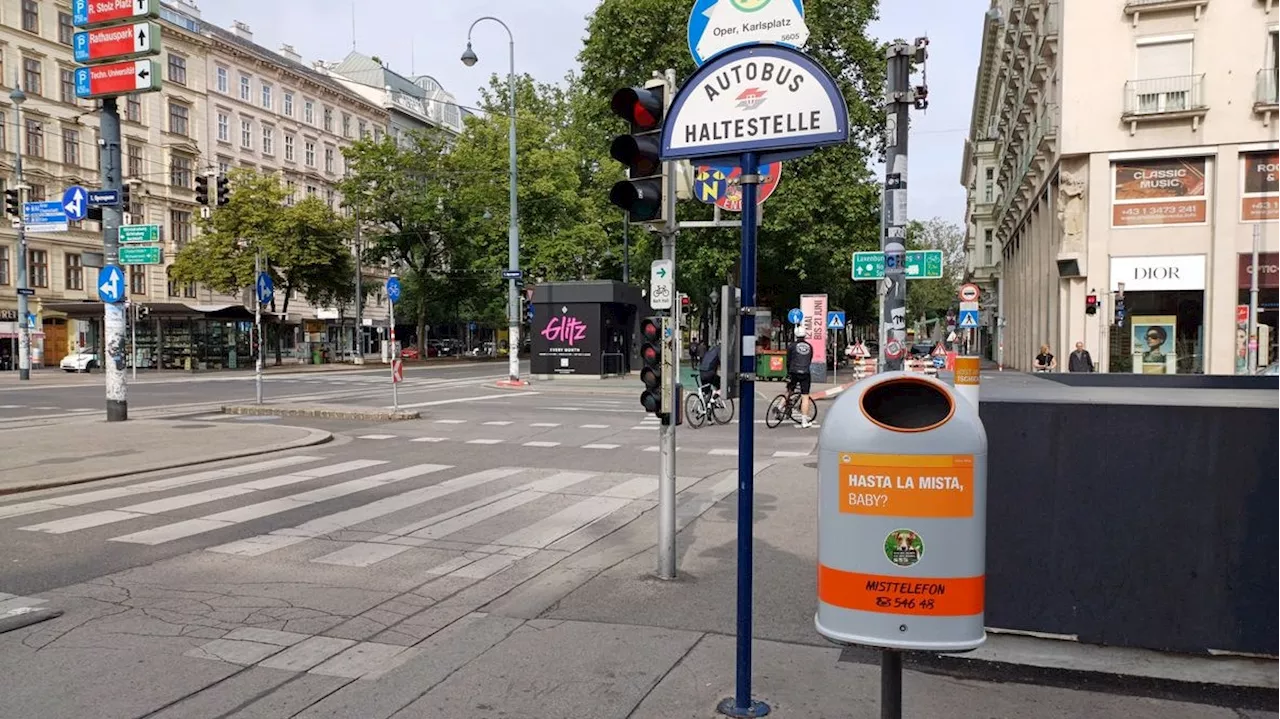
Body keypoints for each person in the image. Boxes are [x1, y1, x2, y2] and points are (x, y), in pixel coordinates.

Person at [787, 325, 815, 428]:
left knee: (790, 389)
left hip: (794, 371)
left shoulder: (791, 346)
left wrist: (788, 372)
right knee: (805, 396)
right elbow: (810, 359)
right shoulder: (810, 346)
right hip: (805, 373)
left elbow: (788, 360)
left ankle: (780, 406)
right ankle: (804, 421)